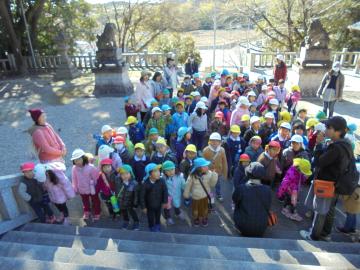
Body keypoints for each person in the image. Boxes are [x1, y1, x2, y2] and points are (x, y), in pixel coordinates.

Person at [301, 116, 354, 241]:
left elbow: (319, 162)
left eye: (329, 127)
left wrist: (319, 145)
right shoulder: (346, 145)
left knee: (320, 210)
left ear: (338, 131)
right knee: (329, 210)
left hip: (327, 184)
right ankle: (325, 234)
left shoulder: (336, 148)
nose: (326, 130)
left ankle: (313, 235)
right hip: (336, 184)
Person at [232, 162, 272, 237]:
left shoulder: (241, 188)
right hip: (261, 228)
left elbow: (234, 200)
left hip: (243, 227)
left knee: (236, 206)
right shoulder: (267, 190)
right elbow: (268, 206)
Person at [183, 158, 218, 227]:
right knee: (195, 210)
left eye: (207, 165)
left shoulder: (209, 174)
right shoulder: (192, 175)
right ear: (198, 168)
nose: (207, 167)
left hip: (205, 196)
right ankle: (196, 219)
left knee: (205, 209)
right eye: (204, 166)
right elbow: (188, 185)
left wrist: (214, 175)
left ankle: (204, 218)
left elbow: (212, 185)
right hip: (195, 197)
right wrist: (186, 194)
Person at [71, 149, 100, 221]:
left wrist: (97, 188)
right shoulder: (74, 168)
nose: (77, 162)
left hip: (92, 189)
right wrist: (75, 188)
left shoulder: (91, 167)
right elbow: (74, 179)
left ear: (83, 158)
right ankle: (87, 211)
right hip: (82, 189)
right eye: (75, 160)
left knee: (95, 201)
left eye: (78, 159)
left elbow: (96, 178)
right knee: (85, 201)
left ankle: (97, 212)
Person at [140, 163, 168, 232]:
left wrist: (165, 201)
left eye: (158, 170)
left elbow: (165, 191)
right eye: (155, 171)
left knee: (158, 215)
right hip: (149, 206)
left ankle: (157, 224)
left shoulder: (162, 181)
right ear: (149, 174)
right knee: (150, 217)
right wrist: (143, 207)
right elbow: (142, 196)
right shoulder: (145, 184)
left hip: (158, 204)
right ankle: (151, 226)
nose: (158, 173)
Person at [203, 132, 228, 202]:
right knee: (208, 185)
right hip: (208, 171)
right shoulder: (206, 150)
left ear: (220, 142)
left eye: (217, 141)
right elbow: (203, 162)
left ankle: (218, 194)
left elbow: (224, 162)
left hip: (218, 172)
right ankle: (209, 196)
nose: (214, 142)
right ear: (209, 141)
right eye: (212, 140)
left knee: (218, 184)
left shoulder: (222, 150)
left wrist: (225, 173)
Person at [162, 161, 186, 225]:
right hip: (167, 196)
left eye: (172, 169)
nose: (171, 172)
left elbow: (184, 185)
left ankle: (177, 213)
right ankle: (168, 217)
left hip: (176, 194)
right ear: (164, 172)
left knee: (177, 205)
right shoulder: (163, 178)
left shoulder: (180, 176)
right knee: (167, 207)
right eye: (168, 170)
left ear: (175, 169)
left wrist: (188, 190)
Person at [118, 165, 140, 230]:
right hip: (122, 202)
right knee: (124, 213)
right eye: (122, 174)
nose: (125, 176)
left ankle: (136, 222)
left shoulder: (134, 183)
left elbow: (136, 195)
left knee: (133, 213)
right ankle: (126, 221)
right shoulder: (119, 182)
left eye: (127, 173)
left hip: (131, 203)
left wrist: (135, 204)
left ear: (131, 173)